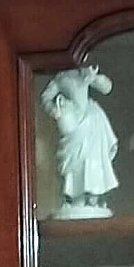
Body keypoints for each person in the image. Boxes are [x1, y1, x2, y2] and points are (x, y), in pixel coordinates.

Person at [41, 62, 119, 218]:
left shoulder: (85, 74)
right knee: (73, 163)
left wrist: (93, 78)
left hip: (91, 121)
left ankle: (92, 198)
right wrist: (55, 109)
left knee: (93, 161)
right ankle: (74, 198)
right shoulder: (61, 78)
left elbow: (107, 87)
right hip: (73, 123)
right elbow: (46, 97)